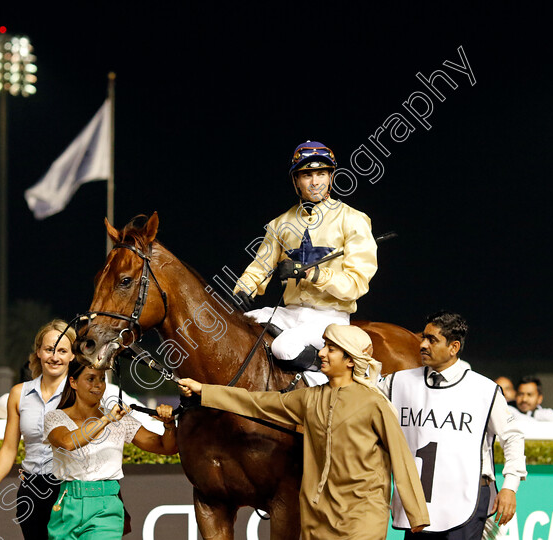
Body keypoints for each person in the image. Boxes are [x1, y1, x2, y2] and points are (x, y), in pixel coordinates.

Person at [178, 324, 429, 539]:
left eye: (331, 349)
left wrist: (416, 513)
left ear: (351, 360)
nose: (321, 354)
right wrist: (205, 391)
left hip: (362, 518)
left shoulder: (374, 404)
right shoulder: (308, 399)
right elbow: (254, 402)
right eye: (324, 347)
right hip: (316, 519)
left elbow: (402, 459)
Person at [234, 141, 377, 385]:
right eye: (307, 175)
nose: (315, 182)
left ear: (331, 177)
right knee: (240, 327)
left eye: (321, 173)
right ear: (295, 181)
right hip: (289, 313)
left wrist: (312, 274)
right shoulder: (280, 224)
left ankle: (332, 383)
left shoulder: (353, 219)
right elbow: (260, 267)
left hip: (329, 317)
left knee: (284, 348)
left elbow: (357, 284)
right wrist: (244, 288)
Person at [377, 311, 526, 539]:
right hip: (419, 502)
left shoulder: (484, 390)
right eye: (423, 338)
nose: (423, 345)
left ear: (454, 347)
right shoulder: (397, 382)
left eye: (432, 340)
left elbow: (512, 437)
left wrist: (510, 487)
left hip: (468, 498)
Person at [43, 360, 179, 540]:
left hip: (106, 506)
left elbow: (166, 447)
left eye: (101, 379)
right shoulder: (55, 417)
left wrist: (169, 425)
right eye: (90, 379)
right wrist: (106, 419)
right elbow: (69, 442)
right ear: (73, 382)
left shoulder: (120, 419)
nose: (98, 385)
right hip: (67, 506)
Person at [0, 320, 76, 539]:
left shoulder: (81, 394)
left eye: (62, 351)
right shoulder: (19, 393)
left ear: (72, 355)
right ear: (38, 351)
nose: (55, 357)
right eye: (49, 349)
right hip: (31, 491)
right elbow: (9, 448)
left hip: (70, 490)